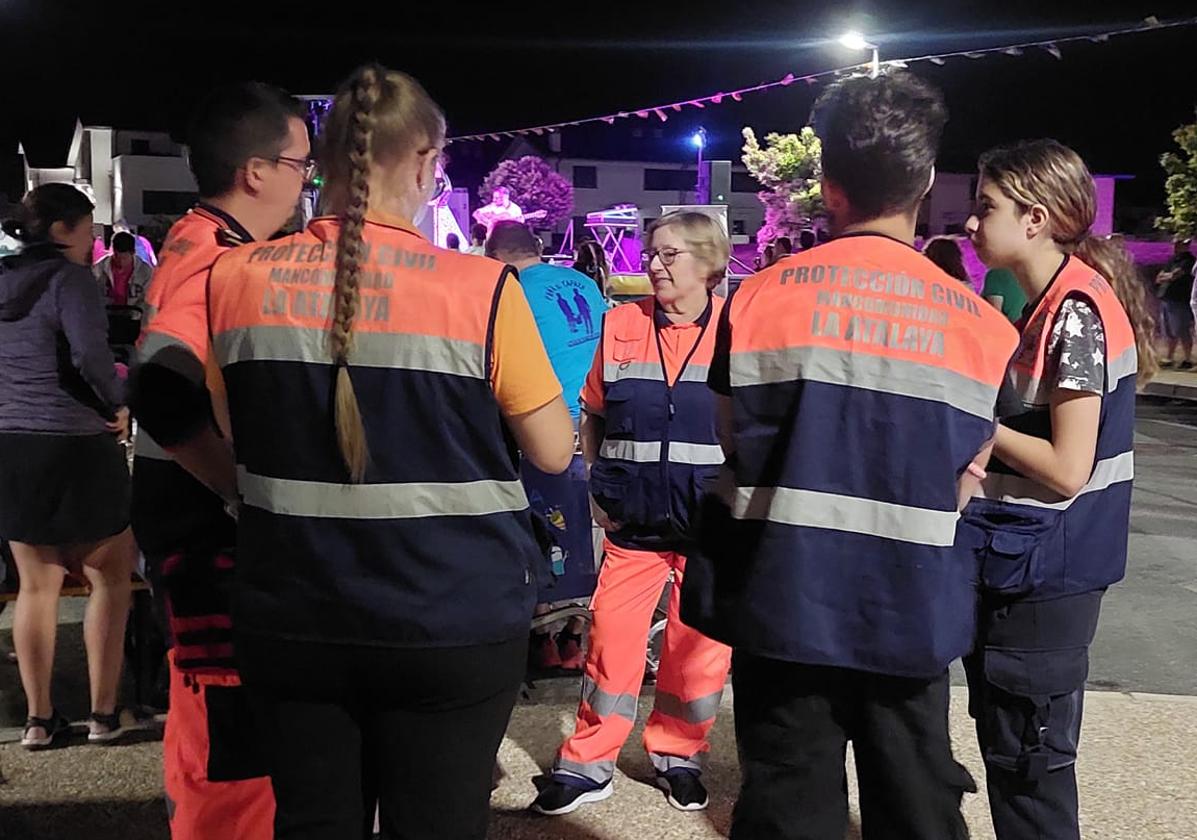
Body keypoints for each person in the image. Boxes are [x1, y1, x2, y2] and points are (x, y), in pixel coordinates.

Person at [162, 64, 573, 840]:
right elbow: (551, 452)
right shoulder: (482, 288)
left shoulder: (234, 278)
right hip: (449, 618)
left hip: (293, 613)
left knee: (313, 822)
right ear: (425, 162)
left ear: (321, 163)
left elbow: (228, 424)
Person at [680, 72, 1019, 840]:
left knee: (787, 802)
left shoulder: (757, 298)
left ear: (827, 185)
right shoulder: (980, 326)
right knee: (916, 804)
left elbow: (735, 447)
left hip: (783, 597)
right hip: (910, 608)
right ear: (927, 180)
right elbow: (968, 471)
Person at [127, 81, 310, 840]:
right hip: (207, 543)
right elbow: (162, 392)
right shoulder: (218, 263)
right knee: (233, 752)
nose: (308, 182)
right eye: (302, 165)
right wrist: (243, 493)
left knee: (213, 739)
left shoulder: (197, 240)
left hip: (185, 529)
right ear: (257, 171)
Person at [962, 139, 1157, 840]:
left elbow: (1067, 465)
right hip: (1024, 563)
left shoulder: (1073, 311)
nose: (969, 224)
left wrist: (970, 420)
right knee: (1015, 755)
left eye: (985, 208)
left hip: (1046, 573)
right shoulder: (1050, 302)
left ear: (1035, 218)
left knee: (1028, 766)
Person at [531, 211, 733, 817]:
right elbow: (592, 412)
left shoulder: (737, 329)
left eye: (671, 255)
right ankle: (588, 764)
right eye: (653, 253)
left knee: (697, 650)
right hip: (633, 521)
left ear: (710, 262)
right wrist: (599, 483)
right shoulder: (620, 323)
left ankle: (679, 757)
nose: (654, 264)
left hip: (709, 524)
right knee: (613, 643)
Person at [0, 184, 142, 749]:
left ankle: (39, 721)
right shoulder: (71, 280)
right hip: (77, 440)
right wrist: (118, 402)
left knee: (38, 585)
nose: (92, 243)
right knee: (111, 574)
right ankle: (103, 716)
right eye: (87, 230)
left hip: (12, 442)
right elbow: (88, 355)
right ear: (63, 229)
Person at [487, 221, 606, 671]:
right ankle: (577, 635)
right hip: (596, 420)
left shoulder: (508, 291)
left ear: (493, 254)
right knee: (587, 536)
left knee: (542, 531)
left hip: (548, 423)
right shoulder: (581, 282)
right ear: (536, 247)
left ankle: (544, 636)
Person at [1154, 239, 1194, 369]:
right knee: (1169, 330)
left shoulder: (1188, 261)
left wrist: (1167, 276)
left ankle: (1187, 358)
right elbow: (1159, 277)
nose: (1175, 246)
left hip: (1180, 300)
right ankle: (1169, 357)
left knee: (1182, 329)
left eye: (1179, 244)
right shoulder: (1173, 260)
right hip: (1167, 298)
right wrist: (1167, 276)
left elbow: (1174, 275)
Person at [94, 231, 153, 309]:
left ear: (133, 253)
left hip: (135, 315)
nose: (121, 262)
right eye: (117, 258)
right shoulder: (98, 269)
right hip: (106, 314)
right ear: (113, 252)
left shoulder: (146, 272)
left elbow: (148, 300)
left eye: (124, 258)